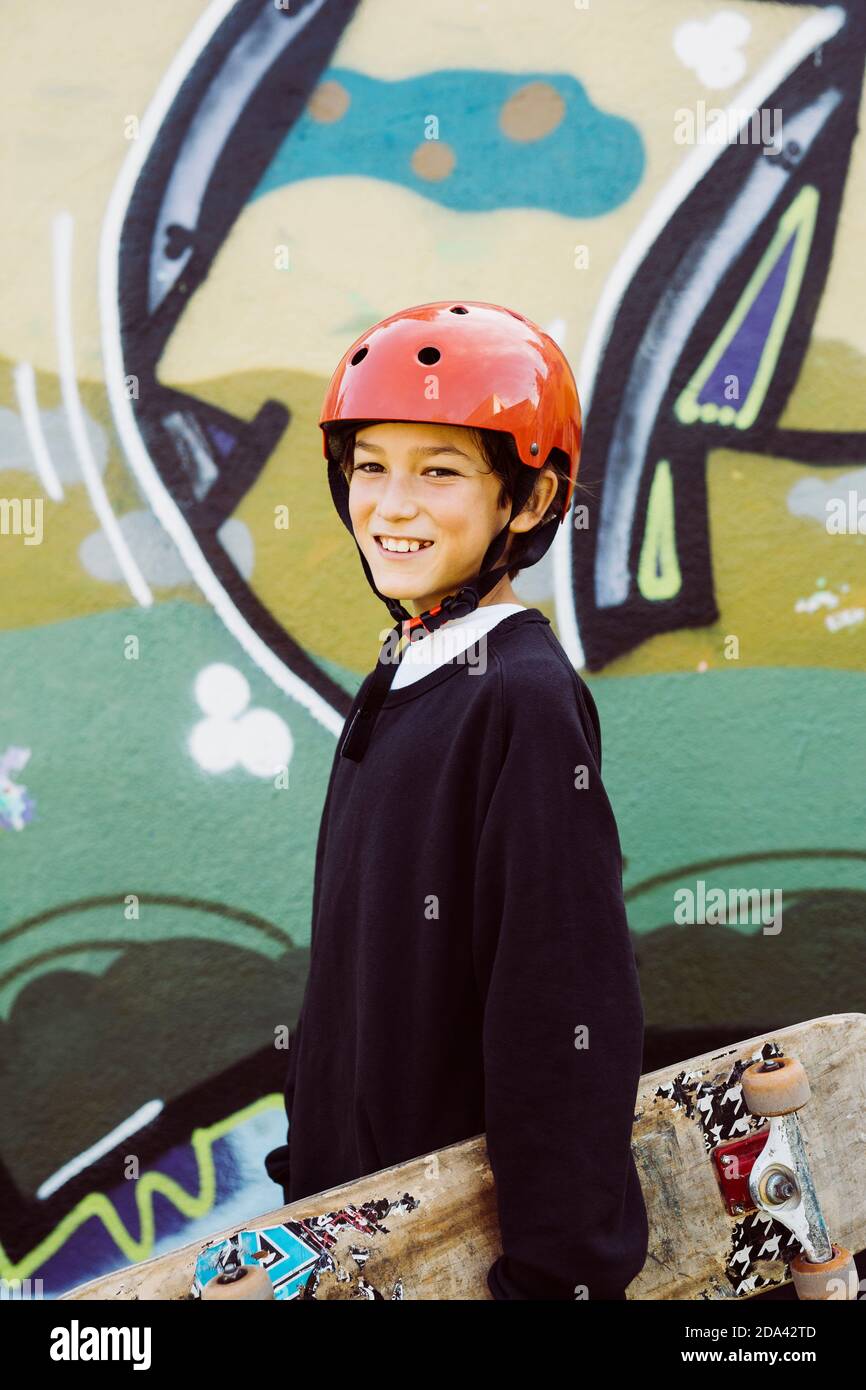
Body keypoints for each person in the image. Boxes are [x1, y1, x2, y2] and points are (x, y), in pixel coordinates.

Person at [264, 300, 649, 1300]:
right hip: (355, 1242)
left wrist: (554, 1275)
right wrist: (304, 1188)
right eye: (369, 466)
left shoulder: (520, 697)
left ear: (526, 500)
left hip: (456, 1268)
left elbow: (559, 1010)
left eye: (438, 470)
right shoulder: (401, 675)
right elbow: (350, 980)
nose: (391, 505)